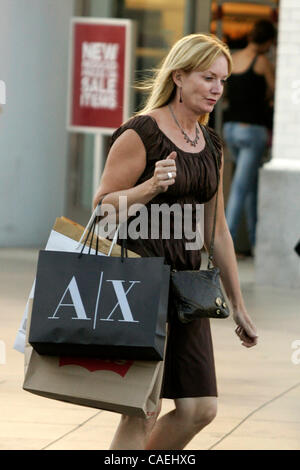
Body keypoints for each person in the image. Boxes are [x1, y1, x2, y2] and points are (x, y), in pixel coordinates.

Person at [93, 33, 258, 450]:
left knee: (199, 407)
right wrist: (149, 187)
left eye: (223, 80)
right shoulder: (140, 133)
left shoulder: (212, 146)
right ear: (179, 77)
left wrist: (237, 304)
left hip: (187, 291)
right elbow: (101, 211)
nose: (217, 89)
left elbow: (216, 231)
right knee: (141, 407)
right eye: (208, 78)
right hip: (139, 284)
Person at [223, 20, 276, 255]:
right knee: (240, 188)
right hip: (251, 130)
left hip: (231, 129)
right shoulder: (262, 62)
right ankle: (226, 245)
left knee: (249, 187)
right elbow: (275, 92)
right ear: (267, 42)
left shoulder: (234, 58)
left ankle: (255, 243)